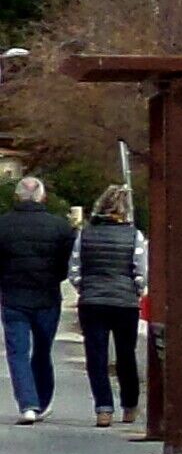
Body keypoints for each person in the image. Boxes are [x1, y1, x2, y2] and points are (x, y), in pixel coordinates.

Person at [0, 179, 75, 424]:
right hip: (47, 297)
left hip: (13, 296)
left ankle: (28, 404)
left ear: (17, 197)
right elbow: (66, 266)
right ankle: (42, 401)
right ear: (42, 197)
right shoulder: (60, 227)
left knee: (17, 352)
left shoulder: (3, 225)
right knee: (43, 351)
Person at [75, 187, 145, 429]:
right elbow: (140, 271)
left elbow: (74, 269)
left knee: (96, 356)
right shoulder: (134, 236)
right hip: (124, 303)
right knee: (126, 354)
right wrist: (135, 290)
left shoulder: (85, 234)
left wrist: (84, 288)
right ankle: (130, 405)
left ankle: (103, 408)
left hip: (92, 301)